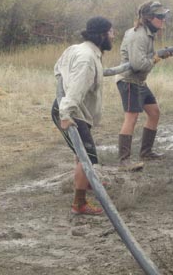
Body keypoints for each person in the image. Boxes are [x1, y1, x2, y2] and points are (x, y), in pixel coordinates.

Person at [51, 16, 115, 215]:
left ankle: (87, 181)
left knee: (83, 156)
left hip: (70, 108)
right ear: (102, 35)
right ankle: (79, 204)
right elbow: (76, 90)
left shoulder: (76, 49)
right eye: (111, 32)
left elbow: (58, 69)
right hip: (71, 111)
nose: (114, 36)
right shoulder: (87, 58)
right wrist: (66, 113)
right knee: (87, 158)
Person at [115, 0, 172, 171]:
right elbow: (138, 64)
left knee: (154, 113)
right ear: (148, 18)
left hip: (139, 81)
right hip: (129, 81)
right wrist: (156, 58)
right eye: (159, 17)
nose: (163, 20)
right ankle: (124, 161)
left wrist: (158, 55)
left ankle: (146, 152)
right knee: (131, 118)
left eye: (164, 16)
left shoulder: (147, 33)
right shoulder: (138, 35)